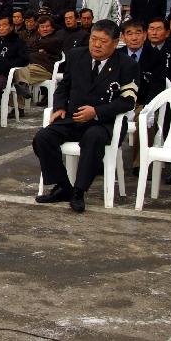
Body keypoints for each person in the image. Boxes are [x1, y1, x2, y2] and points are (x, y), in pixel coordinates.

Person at [32, 20, 139, 212]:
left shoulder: (127, 64)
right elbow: (63, 87)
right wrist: (59, 107)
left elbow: (128, 101)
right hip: (74, 117)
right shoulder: (75, 56)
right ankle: (64, 186)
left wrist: (97, 112)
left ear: (115, 43)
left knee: (93, 137)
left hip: (104, 122)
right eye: (93, 39)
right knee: (43, 137)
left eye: (103, 41)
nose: (96, 45)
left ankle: (78, 192)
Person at [120, 19, 166, 174]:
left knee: (144, 118)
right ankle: (100, 159)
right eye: (129, 33)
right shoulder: (117, 56)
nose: (134, 37)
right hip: (120, 102)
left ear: (145, 35)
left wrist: (148, 106)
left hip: (143, 102)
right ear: (123, 37)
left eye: (138, 33)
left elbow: (157, 86)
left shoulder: (156, 56)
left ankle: (140, 164)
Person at [0, 15, 29, 126]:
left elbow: (24, 59)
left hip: (4, 73)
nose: (1, 28)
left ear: (11, 27)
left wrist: (6, 64)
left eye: (4, 25)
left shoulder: (18, 42)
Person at [14, 16, 64, 101]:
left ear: (52, 28)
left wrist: (33, 50)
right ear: (38, 29)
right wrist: (37, 51)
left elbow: (33, 47)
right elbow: (26, 49)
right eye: (42, 27)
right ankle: (20, 104)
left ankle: (23, 87)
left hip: (46, 69)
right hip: (31, 66)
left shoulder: (55, 40)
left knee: (19, 72)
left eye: (47, 26)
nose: (45, 29)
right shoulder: (36, 39)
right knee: (14, 73)